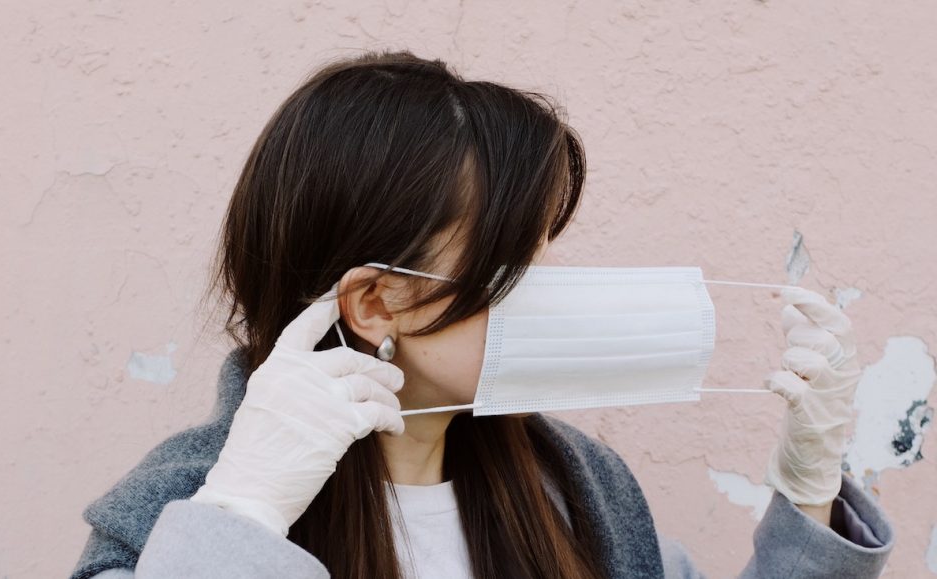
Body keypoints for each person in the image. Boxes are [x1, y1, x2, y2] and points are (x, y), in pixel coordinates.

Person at [70, 50, 894, 579]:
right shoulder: (184, 507)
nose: (549, 292)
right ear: (373, 300)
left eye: (545, 255)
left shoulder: (577, 491)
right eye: (513, 266)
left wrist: (810, 487)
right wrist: (243, 516)